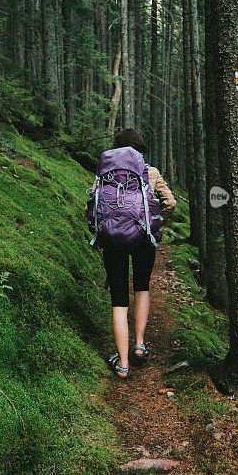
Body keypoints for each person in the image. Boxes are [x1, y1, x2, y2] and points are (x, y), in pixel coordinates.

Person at [91, 129, 176, 379]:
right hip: (143, 238)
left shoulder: (105, 173)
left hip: (112, 239)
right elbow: (170, 202)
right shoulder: (150, 172)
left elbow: (94, 204)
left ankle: (123, 364)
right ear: (140, 149)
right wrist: (155, 224)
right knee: (141, 288)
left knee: (118, 299)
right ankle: (139, 345)